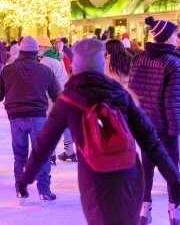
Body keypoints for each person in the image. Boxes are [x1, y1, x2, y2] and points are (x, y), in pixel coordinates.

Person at [17, 38, 180, 225]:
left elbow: (44, 146)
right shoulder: (120, 95)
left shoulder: (68, 102)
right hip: (129, 176)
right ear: (101, 64)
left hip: (95, 181)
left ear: (76, 66)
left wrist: (25, 179)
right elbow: (150, 139)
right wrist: (173, 176)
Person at [0, 36, 60, 202]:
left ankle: (21, 189)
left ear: (21, 51)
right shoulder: (45, 71)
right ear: (36, 52)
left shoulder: (8, 70)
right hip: (38, 118)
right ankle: (44, 190)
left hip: (16, 119)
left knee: (20, 156)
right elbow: (58, 96)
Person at [129, 17, 180, 224]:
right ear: (167, 37)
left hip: (144, 125)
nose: (178, 38)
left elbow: (132, 92)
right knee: (171, 170)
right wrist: (175, 129)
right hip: (164, 127)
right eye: (176, 34)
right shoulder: (173, 63)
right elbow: (173, 100)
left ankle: (144, 211)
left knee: (147, 168)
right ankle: (175, 211)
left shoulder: (139, 59)